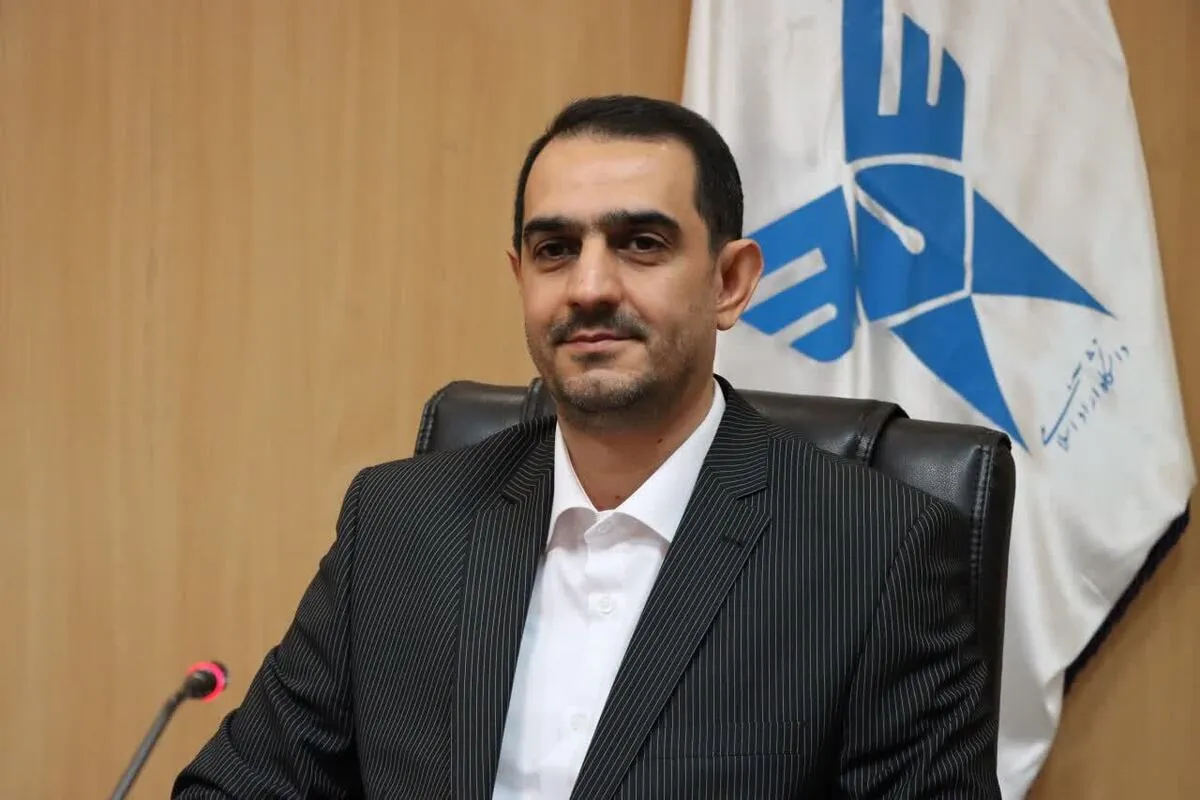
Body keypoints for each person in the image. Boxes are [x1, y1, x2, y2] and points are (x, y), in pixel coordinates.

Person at [173, 94, 1001, 798]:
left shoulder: (877, 555)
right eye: (555, 250)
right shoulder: (398, 525)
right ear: (521, 279)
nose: (590, 287)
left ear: (730, 282)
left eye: (641, 243)